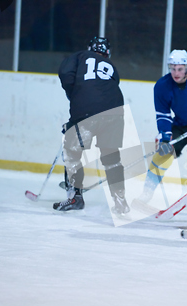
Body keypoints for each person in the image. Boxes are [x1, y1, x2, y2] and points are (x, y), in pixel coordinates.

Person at [133, 49, 187, 212]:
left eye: (180, 68)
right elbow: (163, 114)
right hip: (180, 124)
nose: (176, 72)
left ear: (186, 67)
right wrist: (165, 137)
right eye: (173, 68)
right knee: (163, 154)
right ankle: (146, 193)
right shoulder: (162, 86)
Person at [54, 36, 130, 215]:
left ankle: (75, 198)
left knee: (72, 152)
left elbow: (65, 73)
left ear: (89, 48)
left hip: (86, 110)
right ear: (107, 53)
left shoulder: (81, 56)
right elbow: (110, 86)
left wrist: (76, 97)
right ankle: (121, 202)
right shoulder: (111, 66)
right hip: (115, 112)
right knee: (112, 158)